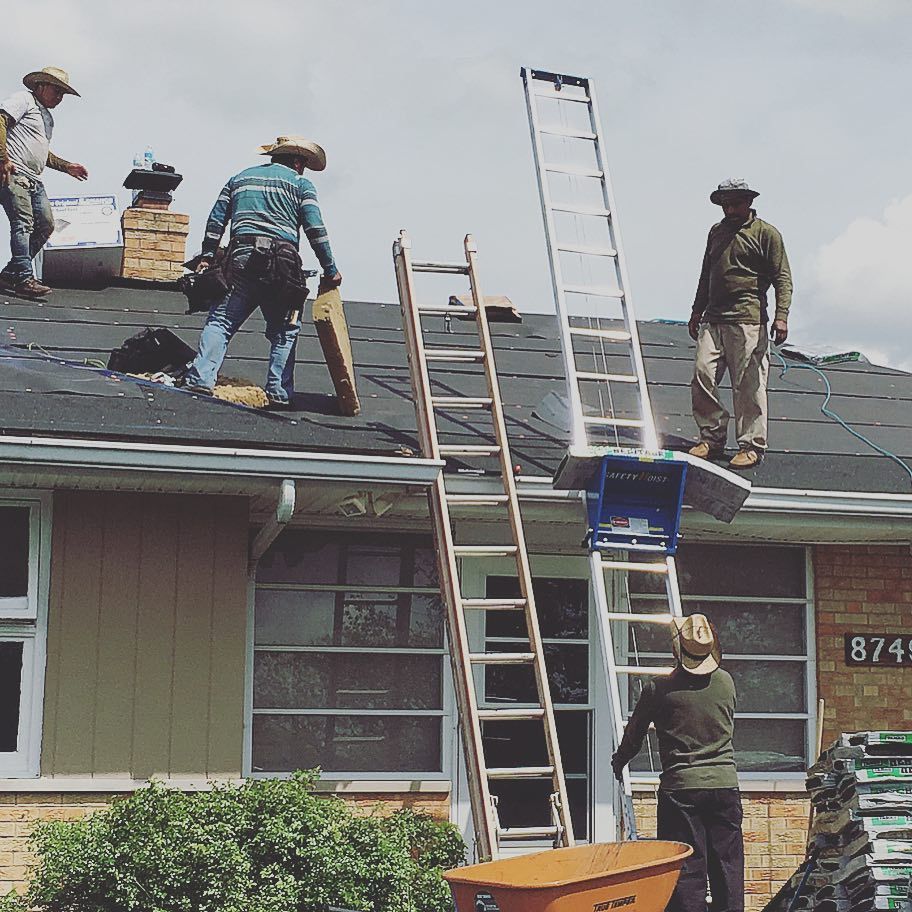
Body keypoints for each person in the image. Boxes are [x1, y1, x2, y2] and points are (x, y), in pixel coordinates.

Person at [182, 135, 342, 407]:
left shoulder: (239, 178)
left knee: (220, 322)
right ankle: (279, 392)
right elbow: (315, 229)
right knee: (284, 330)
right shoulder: (300, 184)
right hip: (282, 266)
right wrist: (331, 269)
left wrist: (207, 257)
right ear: (297, 161)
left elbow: (216, 220)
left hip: (241, 260)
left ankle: (200, 380)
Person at [611, 614, 743, 912]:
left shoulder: (659, 689)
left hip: (682, 791)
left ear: (677, 651)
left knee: (687, 872)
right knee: (728, 869)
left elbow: (634, 736)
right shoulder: (726, 681)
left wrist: (619, 762)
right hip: (725, 787)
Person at [687, 179, 792, 469]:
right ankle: (711, 437)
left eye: (734, 203)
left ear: (748, 202)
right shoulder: (717, 232)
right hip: (714, 318)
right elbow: (706, 274)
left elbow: (782, 277)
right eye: (725, 204)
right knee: (702, 374)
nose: (729, 208)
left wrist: (782, 315)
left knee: (748, 384)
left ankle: (751, 444)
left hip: (749, 321)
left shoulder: (766, 234)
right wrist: (697, 311)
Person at [0, 67, 88, 299]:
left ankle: (11, 272)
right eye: (56, 90)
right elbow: (0, 119)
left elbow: (40, 152)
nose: (59, 97)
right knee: (23, 223)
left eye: (62, 94)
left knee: (46, 224)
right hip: (15, 172)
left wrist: (66, 166)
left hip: (33, 178)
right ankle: (23, 278)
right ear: (40, 85)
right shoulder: (23, 100)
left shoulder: (46, 117)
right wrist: (3, 159)